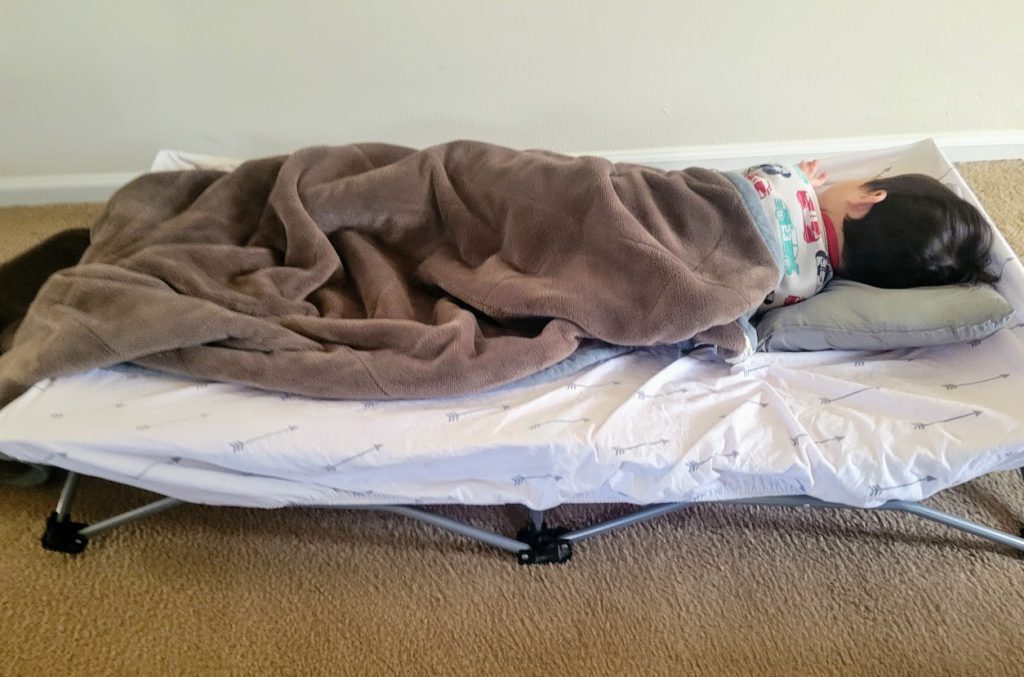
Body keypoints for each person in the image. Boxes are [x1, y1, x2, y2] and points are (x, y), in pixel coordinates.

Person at [744, 159, 998, 313]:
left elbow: (753, 176)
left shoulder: (790, 183)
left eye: (867, 180)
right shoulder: (807, 288)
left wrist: (799, 178)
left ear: (866, 200)